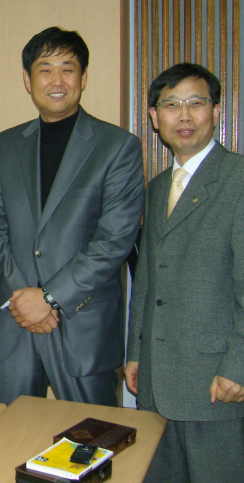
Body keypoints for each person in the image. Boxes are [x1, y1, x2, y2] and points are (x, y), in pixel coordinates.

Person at [0, 26, 144, 406]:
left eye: (67, 69)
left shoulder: (117, 147)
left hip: (82, 328)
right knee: (12, 436)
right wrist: (20, 302)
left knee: (91, 436)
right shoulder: (5, 146)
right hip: (16, 325)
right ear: (28, 79)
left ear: (83, 78)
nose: (56, 80)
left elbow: (114, 239)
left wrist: (50, 298)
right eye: (45, 69)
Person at [125, 63, 244, 482]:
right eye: (172, 105)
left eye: (196, 102)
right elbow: (146, 281)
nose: (185, 115)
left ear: (216, 111)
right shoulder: (158, 188)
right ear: (155, 118)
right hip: (157, 379)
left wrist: (238, 366)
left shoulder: (237, 179)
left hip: (214, 382)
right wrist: (135, 352)